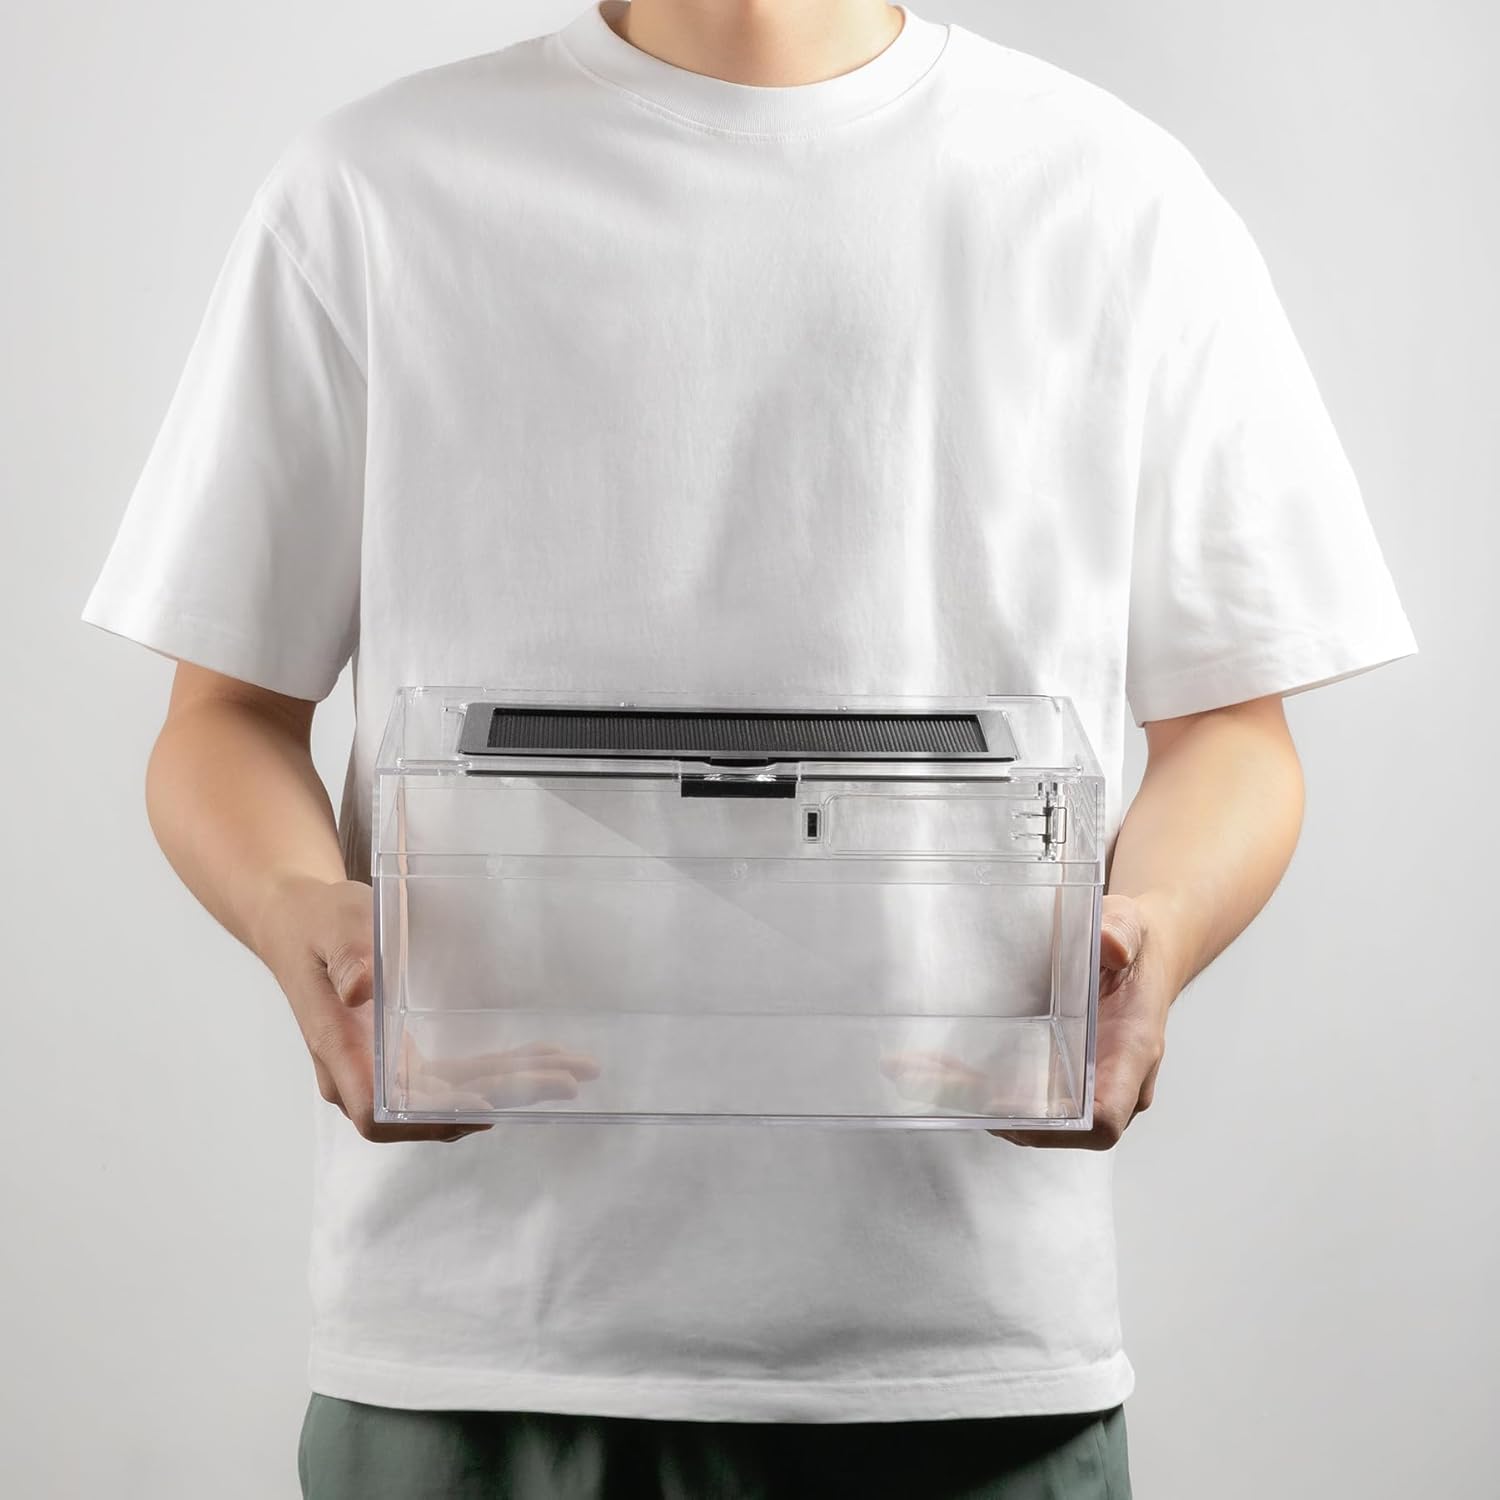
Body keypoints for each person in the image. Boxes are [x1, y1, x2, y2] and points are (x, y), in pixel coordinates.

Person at [80, 2, 1419, 1496]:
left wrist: (1157, 930)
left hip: (968, 1352)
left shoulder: (1116, 197)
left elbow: (1232, 726)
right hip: (477, 1347)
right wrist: (297, 912)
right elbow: (225, 717)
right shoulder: (371, 194)